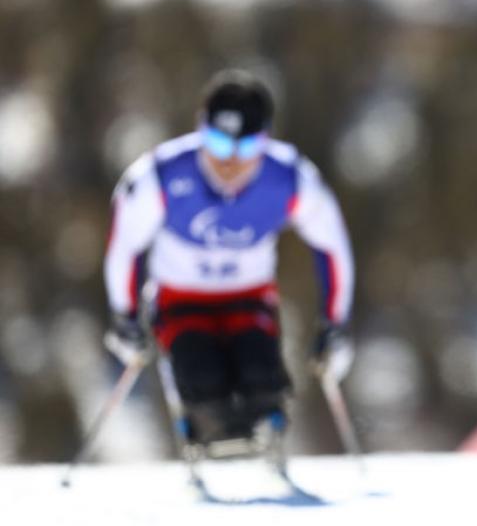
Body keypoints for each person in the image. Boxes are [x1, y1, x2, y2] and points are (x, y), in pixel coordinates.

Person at [103, 69, 355, 450]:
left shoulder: (289, 178)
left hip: (249, 297)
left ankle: (267, 429)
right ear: (199, 130)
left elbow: (332, 245)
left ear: (266, 142)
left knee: (262, 384)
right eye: (218, 145)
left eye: (246, 149)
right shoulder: (163, 174)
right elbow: (125, 244)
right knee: (204, 390)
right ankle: (201, 427)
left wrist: (334, 322)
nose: (230, 162)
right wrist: (125, 315)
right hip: (180, 299)